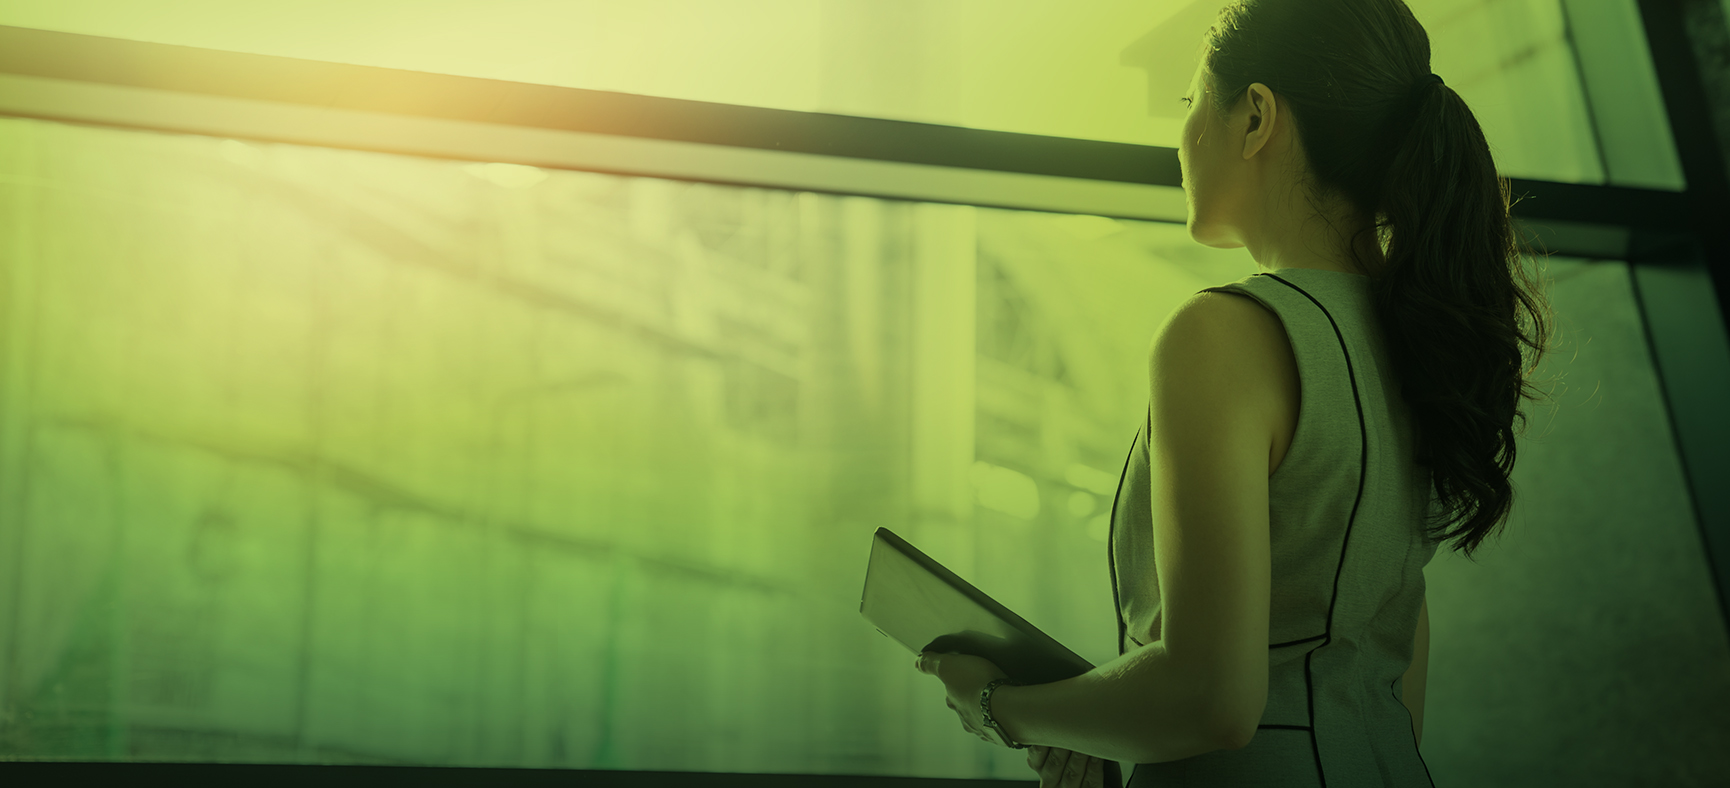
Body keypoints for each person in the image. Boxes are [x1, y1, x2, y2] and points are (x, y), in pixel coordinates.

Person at [914, 0, 1553, 785]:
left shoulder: (1224, 336)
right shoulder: (1419, 338)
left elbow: (1211, 699)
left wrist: (1000, 705)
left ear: (1255, 118)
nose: (1180, 138)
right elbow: (1392, 687)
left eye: (1190, 104)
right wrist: (1106, 721)